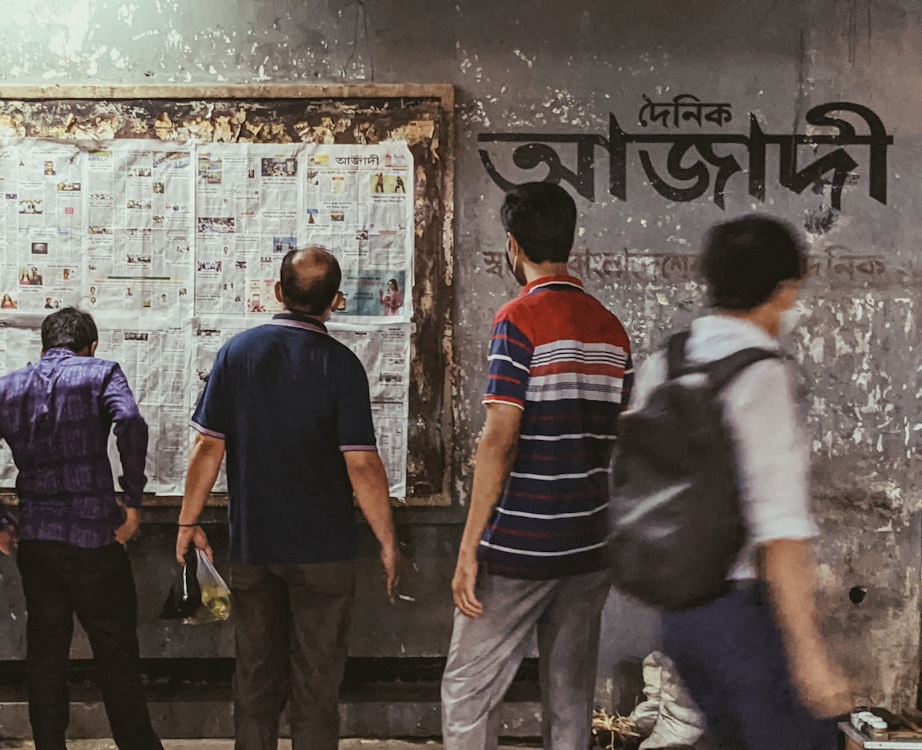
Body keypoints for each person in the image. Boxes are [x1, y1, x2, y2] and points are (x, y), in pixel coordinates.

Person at [629, 215, 850, 749]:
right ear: (783, 289)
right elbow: (780, 532)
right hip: (747, 620)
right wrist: (810, 657)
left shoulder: (666, 363)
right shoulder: (762, 375)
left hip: (680, 619)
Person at [176, 245, 399, 750]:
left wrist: (187, 524)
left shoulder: (238, 352)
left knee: (254, 678)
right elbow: (362, 463)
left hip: (255, 547)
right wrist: (388, 541)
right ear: (335, 302)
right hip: (325, 553)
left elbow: (207, 446)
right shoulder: (343, 366)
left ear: (278, 292)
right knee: (316, 685)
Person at [441, 182, 634, 749]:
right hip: (589, 542)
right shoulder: (610, 327)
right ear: (569, 242)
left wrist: (470, 546)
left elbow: (499, 440)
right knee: (570, 696)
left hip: (522, 544)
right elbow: (617, 441)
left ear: (513, 245)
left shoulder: (519, 318)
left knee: (468, 691)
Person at [0, 307, 164, 750]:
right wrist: (132, 498)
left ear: (43, 347)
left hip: (38, 542)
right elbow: (129, 421)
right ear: (91, 347)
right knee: (117, 654)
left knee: (46, 656)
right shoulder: (102, 373)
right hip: (96, 542)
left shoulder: (8, 387)